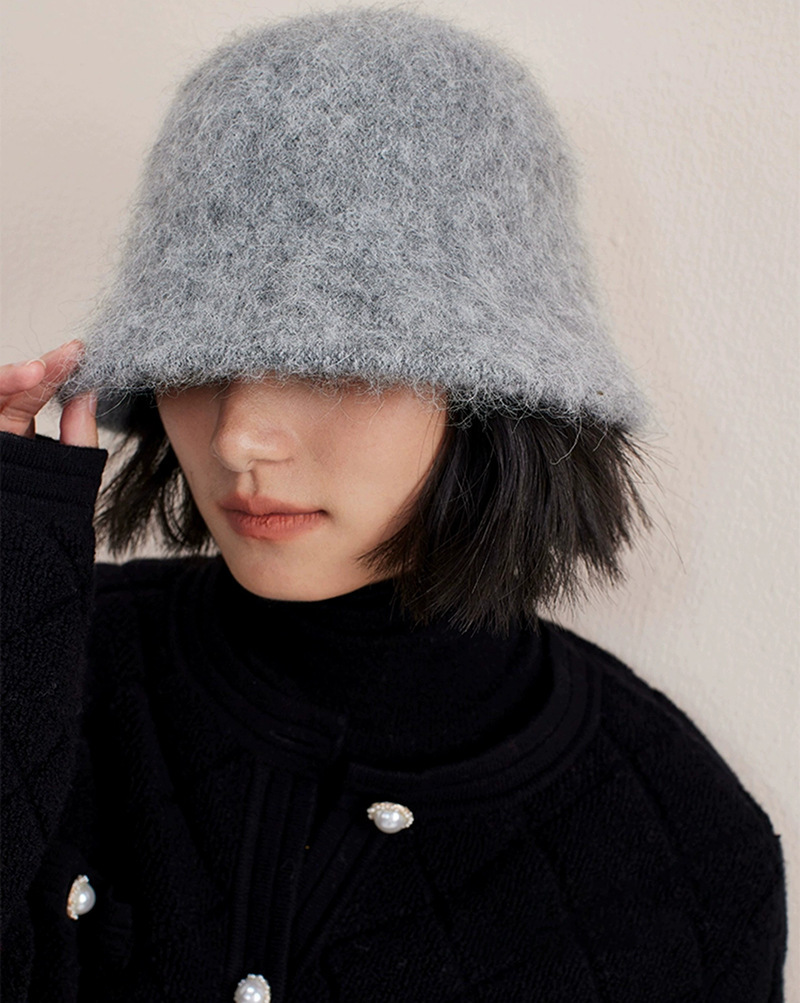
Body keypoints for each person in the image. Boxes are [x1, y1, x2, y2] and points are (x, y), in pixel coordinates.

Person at [0, 7, 786, 1002]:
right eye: (196, 360)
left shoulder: (684, 847)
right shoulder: (54, 655)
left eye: (333, 366)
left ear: (494, 389)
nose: (239, 438)